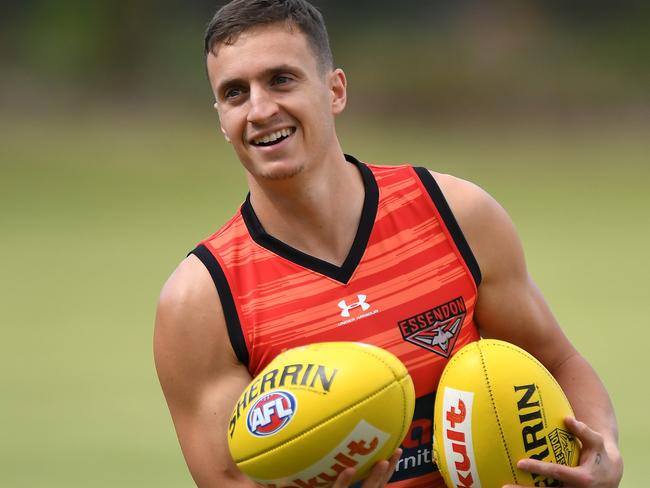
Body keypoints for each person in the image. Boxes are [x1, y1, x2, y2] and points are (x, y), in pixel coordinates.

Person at [153, 1, 623, 487]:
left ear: (334, 90)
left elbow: (559, 362)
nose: (260, 109)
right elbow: (231, 479)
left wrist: (601, 453)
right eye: (235, 93)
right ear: (220, 118)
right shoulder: (201, 300)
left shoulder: (454, 214)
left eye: (281, 80)